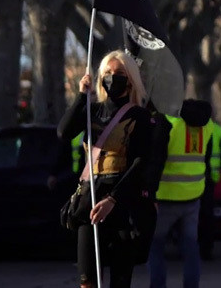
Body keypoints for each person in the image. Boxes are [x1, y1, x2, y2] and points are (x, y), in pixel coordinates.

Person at [57, 50, 157, 288]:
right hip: (89, 201)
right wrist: (82, 96)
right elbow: (63, 132)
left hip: (122, 202)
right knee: (87, 280)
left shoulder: (140, 116)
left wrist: (112, 199)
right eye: (108, 73)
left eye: (120, 73)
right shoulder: (92, 111)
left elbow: (140, 162)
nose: (113, 77)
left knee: (120, 280)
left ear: (130, 78)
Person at [149, 99, 217, 288]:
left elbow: (156, 161)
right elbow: (207, 157)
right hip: (193, 194)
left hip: (166, 196)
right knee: (190, 246)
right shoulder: (208, 125)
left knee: (155, 246)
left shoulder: (169, 122)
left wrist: (150, 193)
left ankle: (157, 285)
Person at [198, 105, 221, 261]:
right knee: (207, 216)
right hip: (210, 178)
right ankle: (206, 249)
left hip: (190, 178)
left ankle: (197, 248)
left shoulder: (186, 128)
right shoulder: (217, 130)